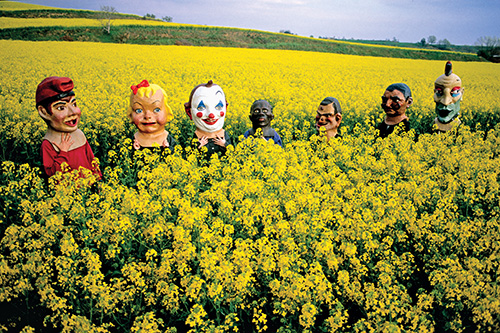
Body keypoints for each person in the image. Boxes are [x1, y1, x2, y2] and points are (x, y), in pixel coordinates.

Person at [36, 76, 101, 179]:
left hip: (89, 190)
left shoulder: (79, 134)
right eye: (61, 108)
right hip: (68, 193)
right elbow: (52, 176)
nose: (73, 112)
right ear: (44, 112)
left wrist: (98, 180)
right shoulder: (49, 144)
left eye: (74, 104)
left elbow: (91, 161)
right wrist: (63, 153)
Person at [184, 80, 232, 157]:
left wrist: (224, 144)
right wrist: (199, 145)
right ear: (189, 112)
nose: (211, 115)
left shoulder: (223, 134)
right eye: (201, 107)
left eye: (219, 107)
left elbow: (232, 151)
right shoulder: (197, 136)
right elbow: (191, 154)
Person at [128, 79, 176, 152]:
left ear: (167, 111)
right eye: (139, 110)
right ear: (131, 114)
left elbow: (175, 156)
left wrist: (167, 150)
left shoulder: (167, 138)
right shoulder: (134, 139)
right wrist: (135, 150)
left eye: (156, 110)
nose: (147, 116)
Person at [433, 61, 463, 132]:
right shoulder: (435, 123)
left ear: (462, 94)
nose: (445, 102)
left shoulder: (458, 126)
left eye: (454, 92)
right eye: (439, 92)